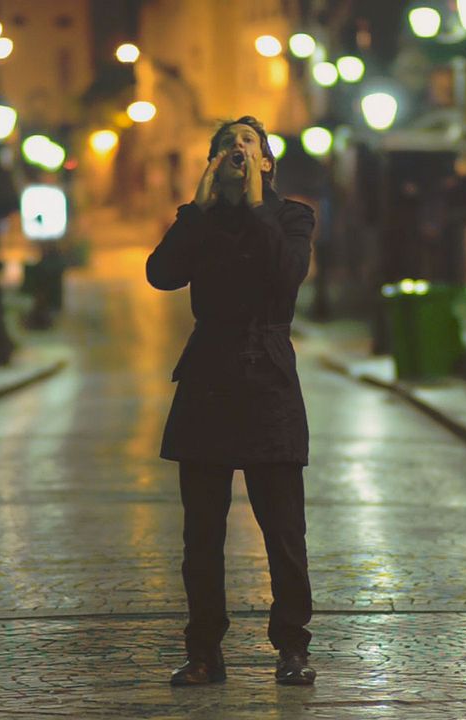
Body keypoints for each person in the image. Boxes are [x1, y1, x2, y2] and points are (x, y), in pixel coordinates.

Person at [146, 116, 317, 686]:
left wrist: (255, 205)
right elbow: (162, 274)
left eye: (247, 142)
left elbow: (287, 274)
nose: (235, 150)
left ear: (266, 162)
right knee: (201, 537)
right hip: (209, 381)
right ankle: (204, 653)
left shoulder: (290, 216)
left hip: (267, 377)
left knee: (285, 532)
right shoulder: (201, 222)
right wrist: (194, 210)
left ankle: (293, 648)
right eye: (225, 144)